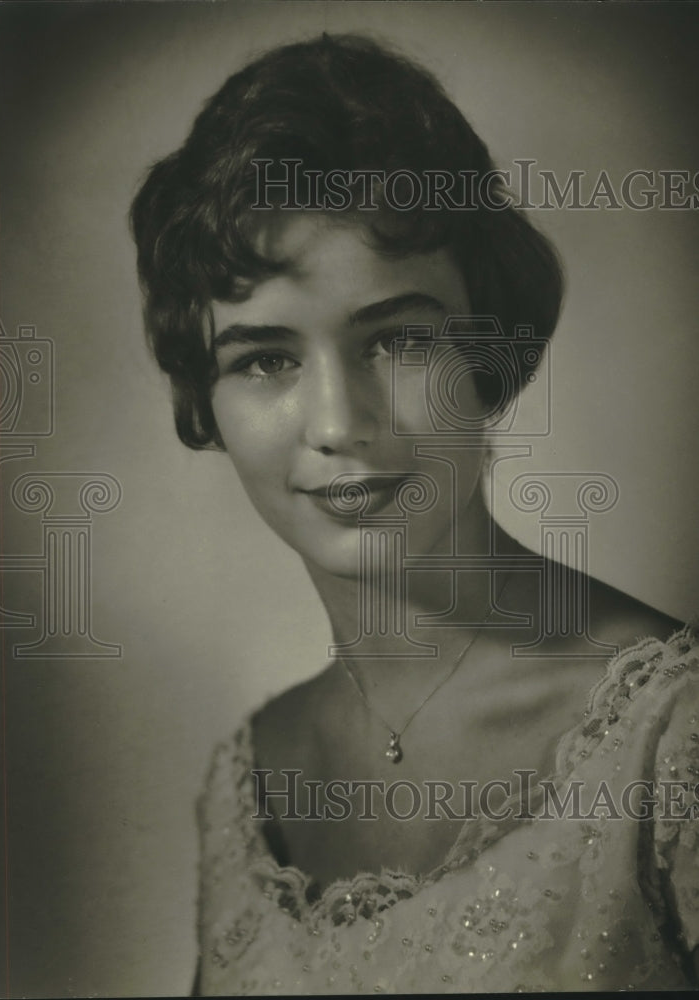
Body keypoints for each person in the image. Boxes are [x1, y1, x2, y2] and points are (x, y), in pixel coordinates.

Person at [130, 33, 698, 994]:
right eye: (265, 359)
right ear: (207, 403)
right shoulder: (245, 780)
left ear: (489, 354)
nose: (340, 424)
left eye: (397, 340)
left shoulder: (672, 740)